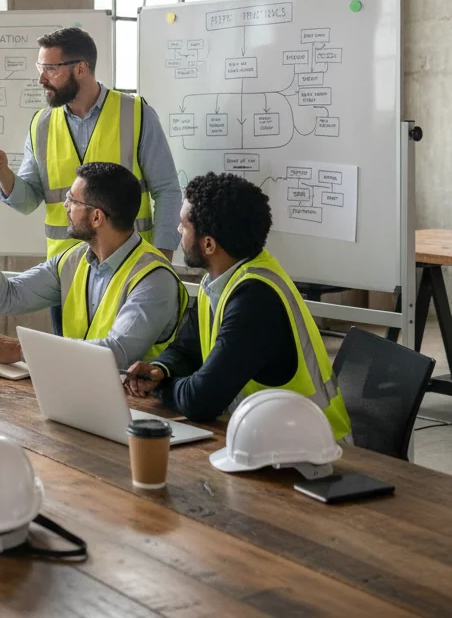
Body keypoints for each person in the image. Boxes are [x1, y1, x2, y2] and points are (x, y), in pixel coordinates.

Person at [0, 27, 181, 332]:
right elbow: (28, 200)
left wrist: (162, 258)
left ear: (81, 68)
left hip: (129, 268)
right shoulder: (41, 125)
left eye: (50, 69)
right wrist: (5, 176)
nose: (41, 79)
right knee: (69, 367)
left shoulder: (136, 114)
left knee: (125, 367)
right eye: (41, 68)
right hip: (66, 274)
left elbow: (167, 190)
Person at [124, 172, 351, 440]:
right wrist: (159, 370)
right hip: (263, 439)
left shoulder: (255, 299)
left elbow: (201, 401)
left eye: (184, 226)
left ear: (208, 244)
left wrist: (160, 386)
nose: (178, 230)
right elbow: (187, 348)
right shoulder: (221, 278)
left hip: (315, 449)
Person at [0, 162, 188, 368]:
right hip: (79, 395)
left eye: (72, 200)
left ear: (96, 217)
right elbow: (3, 298)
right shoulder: (73, 259)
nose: (65, 206)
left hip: (141, 413)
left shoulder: (154, 278)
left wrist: (22, 349)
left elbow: (118, 352)